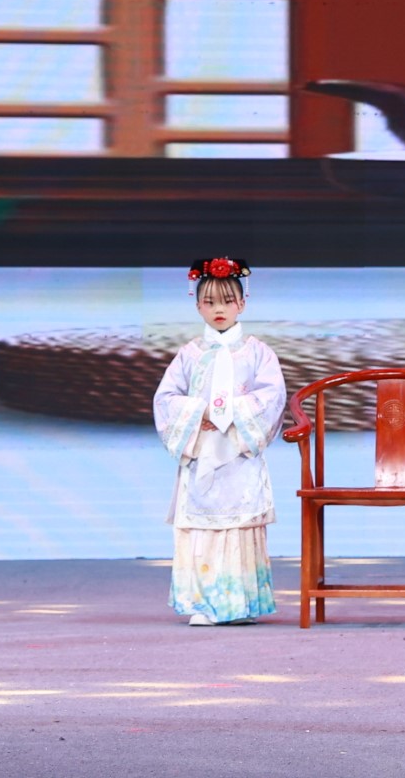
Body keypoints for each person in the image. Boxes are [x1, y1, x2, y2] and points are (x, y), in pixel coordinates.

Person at [153, 257, 286, 626]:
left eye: (227, 301)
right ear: (197, 306)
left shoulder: (258, 353)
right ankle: (204, 605)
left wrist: (230, 412)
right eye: (209, 302)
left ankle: (241, 604)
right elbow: (165, 399)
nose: (219, 309)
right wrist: (199, 413)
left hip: (238, 453)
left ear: (242, 303)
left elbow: (272, 397)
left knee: (239, 528)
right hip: (203, 451)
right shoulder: (189, 354)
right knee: (201, 530)